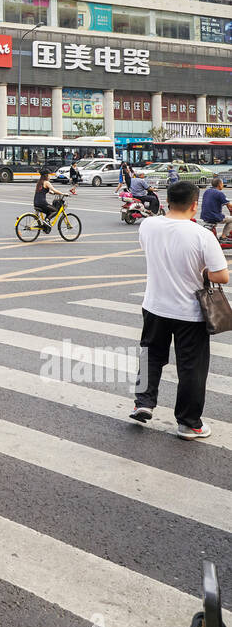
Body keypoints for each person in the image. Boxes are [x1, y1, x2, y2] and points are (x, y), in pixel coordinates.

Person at [130, 180, 228, 439]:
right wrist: (203, 271)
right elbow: (221, 276)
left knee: (150, 355)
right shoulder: (202, 235)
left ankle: (143, 402)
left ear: (167, 200)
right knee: (191, 367)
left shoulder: (149, 225)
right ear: (194, 205)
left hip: (154, 306)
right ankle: (189, 424)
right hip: (190, 313)